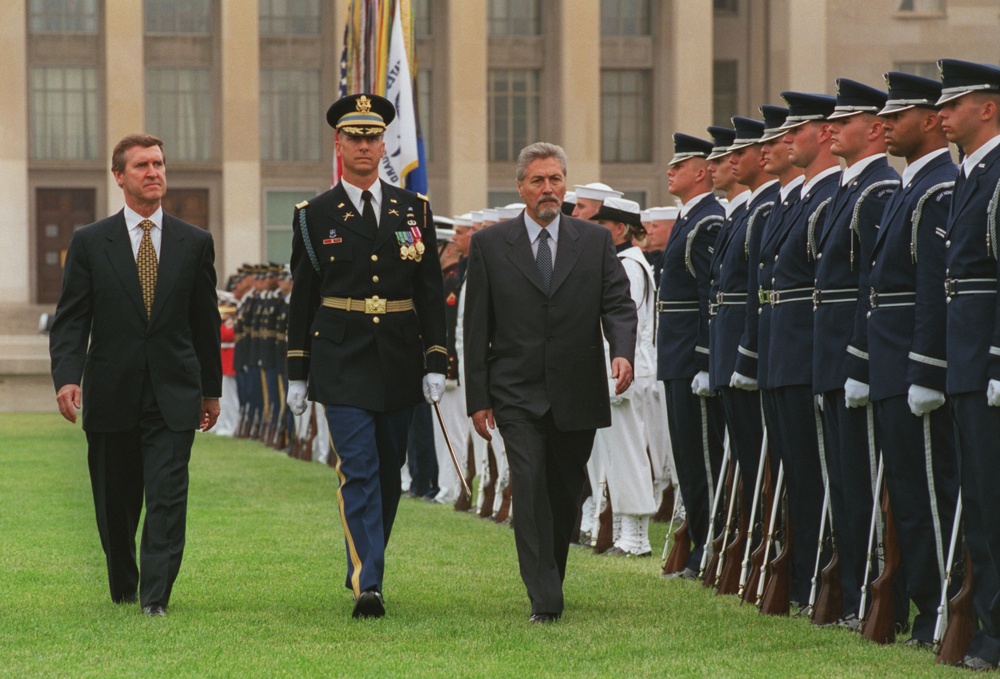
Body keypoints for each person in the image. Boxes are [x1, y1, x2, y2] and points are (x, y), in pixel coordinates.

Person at [285, 93, 448, 619]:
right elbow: (303, 297)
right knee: (357, 469)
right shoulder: (315, 215)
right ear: (339, 144)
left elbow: (429, 293)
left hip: (399, 357)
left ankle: (364, 557)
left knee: (388, 470)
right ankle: (368, 583)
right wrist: (297, 372)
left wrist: (436, 360)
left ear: (384, 145)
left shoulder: (414, 209)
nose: (363, 146)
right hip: (341, 358)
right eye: (354, 138)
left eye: (372, 138)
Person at [49, 133, 222, 617]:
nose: (154, 172)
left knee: (168, 496)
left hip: (174, 392)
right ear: (119, 176)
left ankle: (155, 599)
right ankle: (125, 583)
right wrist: (66, 377)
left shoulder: (195, 242)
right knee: (115, 503)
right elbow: (71, 321)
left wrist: (211, 391)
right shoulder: (88, 242)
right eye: (142, 165)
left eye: (160, 163)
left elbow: (205, 322)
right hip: (110, 391)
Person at [463, 142, 636, 622]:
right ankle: (545, 598)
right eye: (538, 180)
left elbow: (618, 305)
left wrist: (621, 351)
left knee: (564, 490)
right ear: (521, 187)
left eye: (555, 179)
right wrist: (479, 396)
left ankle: (550, 577)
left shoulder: (595, 241)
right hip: (515, 392)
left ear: (566, 185)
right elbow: (477, 326)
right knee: (531, 482)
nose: (548, 189)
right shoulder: (491, 246)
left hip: (576, 389)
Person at [853, 70, 959, 643]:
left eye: (898, 117)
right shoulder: (909, 186)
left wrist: (925, 371)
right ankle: (925, 603)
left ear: (928, 119)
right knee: (908, 498)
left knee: (929, 497)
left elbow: (932, 288)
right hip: (891, 362)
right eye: (883, 118)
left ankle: (942, 607)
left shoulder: (938, 186)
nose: (885, 126)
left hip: (913, 365)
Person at [815, 79, 902, 629]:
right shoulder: (851, 189)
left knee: (864, 484)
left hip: (853, 353)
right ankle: (851, 592)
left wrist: (859, 358)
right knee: (842, 483)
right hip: (828, 354)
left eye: (842, 123)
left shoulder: (876, 190)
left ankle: (873, 593)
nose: (830, 131)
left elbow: (872, 286)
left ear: (873, 130)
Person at [936, 58, 1000, 671]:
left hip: (988, 365)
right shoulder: (969, 175)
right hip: (964, 363)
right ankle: (989, 626)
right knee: (978, 503)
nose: (942, 115)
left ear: (989, 108)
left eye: (954, 105)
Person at [766, 92, 841, 613]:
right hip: (781, 354)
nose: (786, 140)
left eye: (798, 130)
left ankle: (821, 578)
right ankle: (802, 575)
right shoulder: (797, 200)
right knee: (794, 472)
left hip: (806, 354)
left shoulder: (829, 196)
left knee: (819, 475)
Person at [657, 132, 727, 579]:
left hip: (690, 354)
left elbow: (708, 296)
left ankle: (711, 547)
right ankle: (701, 541)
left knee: (704, 457)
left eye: (679, 165)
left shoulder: (708, 221)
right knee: (687, 455)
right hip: (675, 352)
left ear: (701, 171)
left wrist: (704, 358)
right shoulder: (690, 218)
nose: (670, 171)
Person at [711, 116, 779, 521]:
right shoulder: (747, 212)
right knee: (744, 458)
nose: (732, 160)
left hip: (751, 350)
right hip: (733, 351)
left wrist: (747, 352)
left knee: (761, 463)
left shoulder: (765, 209)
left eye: (741, 152)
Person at [589, 197, 658, 557]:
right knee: (616, 453)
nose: (597, 231)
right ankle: (621, 531)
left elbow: (623, 326)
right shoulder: (622, 262)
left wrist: (616, 369)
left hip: (625, 370)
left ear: (619, 228)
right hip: (617, 371)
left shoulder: (628, 266)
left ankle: (637, 537)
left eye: (603, 225)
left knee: (629, 453)